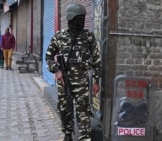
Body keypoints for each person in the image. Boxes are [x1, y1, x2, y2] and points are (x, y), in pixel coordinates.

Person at [45, 3, 101, 141]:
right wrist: (57, 70)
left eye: (83, 17)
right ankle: (68, 133)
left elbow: (96, 60)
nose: (81, 21)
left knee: (83, 112)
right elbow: (48, 56)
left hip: (82, 82)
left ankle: (85, 138)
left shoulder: (88, 37)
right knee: (65, 109)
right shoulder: (59, 37)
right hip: (64, 81)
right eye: (79, 18)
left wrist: (96, 81)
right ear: (71, 18)